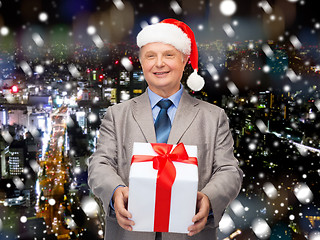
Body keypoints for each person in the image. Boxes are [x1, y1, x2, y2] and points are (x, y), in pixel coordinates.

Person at [88, 18, 243, 240]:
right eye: (150, 56)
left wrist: (209, 198)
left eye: (169, 55)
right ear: (141, 62)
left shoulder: (213, 117)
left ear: (184, 60)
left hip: (191, 233)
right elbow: (99, 164)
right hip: (129, 232)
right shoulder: (117, 115)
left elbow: (229, 171)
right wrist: (115, 191)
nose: (159, 64)